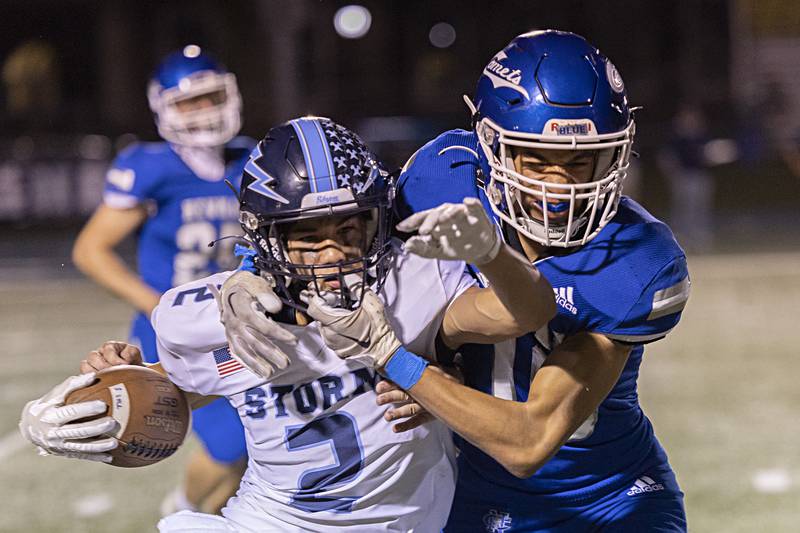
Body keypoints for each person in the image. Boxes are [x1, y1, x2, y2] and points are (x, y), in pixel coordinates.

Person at [21, 117, 555, 532]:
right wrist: (86, 406)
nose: (333, 254)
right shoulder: (209, 315)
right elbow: (176, 395)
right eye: (308, 234)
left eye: (350, 229)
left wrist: (492, 257)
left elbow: (526, 312)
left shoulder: (413, 283)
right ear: (266, 238)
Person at [312, 31, 691, 531]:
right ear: (491, 147)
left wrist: (407, 370)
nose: (557, 188)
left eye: (580, 162)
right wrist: (252, 270)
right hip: (471, 494)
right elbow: (331, 230)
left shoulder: (639, 258)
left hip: (610, 497)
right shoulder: (441, 177)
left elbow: (529, 441)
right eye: (536, 160)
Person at [71, 45, 252, 514]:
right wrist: (155, 305)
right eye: (189, 101)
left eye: (211, 97)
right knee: (231, 444)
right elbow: (90, 250)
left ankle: (210, 515)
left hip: (239, 324)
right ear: (164, 107)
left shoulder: (251, 158)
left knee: (256, 445)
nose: (204, 110)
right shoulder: (151, 166)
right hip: (174, 330)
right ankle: (184, 512)